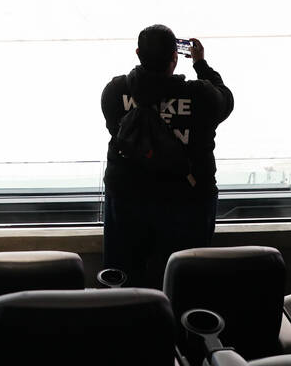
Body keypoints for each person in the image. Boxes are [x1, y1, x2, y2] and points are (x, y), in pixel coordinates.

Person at [100, 24, 234, 288]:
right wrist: (201, 64)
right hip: (188, 200)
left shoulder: (115, 91)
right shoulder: (201, 95)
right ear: (175, 57)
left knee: (124, 275)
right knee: (185, 280)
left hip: (128, 198)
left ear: (138, 53)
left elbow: (114, 128)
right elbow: (225, 99)